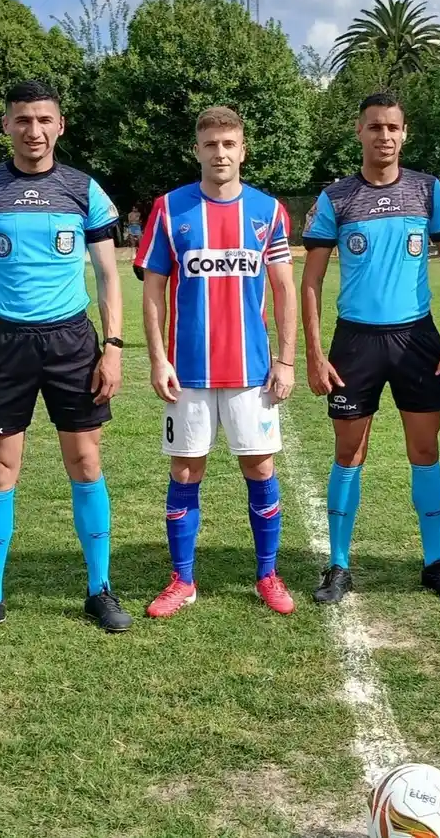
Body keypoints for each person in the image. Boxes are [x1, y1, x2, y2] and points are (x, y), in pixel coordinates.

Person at [0, 79, 131, 637]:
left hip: (72, 342)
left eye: (44, 120)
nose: (34, 130)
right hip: (5, 344)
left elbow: (107, 276)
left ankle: (99, 589)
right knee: (0, 469)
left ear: (60, 126)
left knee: (86, 463)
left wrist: (113, 348)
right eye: (22, 120)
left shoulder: (83, 189)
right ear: (6, 125)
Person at [300, 92, 440, 604]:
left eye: (393, 128)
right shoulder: (336, 198)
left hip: (418, 338)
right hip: (356, 341)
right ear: (360, 132)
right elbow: (309, 280)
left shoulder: (427, 190)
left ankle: (435, 562)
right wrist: (314, 351)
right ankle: (338, 565)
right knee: (349, 453)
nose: (385, 137)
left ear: (404, 133)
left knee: (425, 450)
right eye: (375, 127)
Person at [134, 105, 299, 618]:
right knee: (185, 470)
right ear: (197, 150)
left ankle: (267, 573)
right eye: (211, 145)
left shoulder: (268, 211)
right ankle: (182, 580)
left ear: (242, 149)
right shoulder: (169, 208)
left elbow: (285, 289)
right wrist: (159, 358)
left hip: (251, 371)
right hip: (188, 373)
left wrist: (287, 360)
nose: (220, 153)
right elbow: (154, 291)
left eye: (229, 144)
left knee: (260, 466)